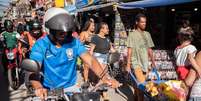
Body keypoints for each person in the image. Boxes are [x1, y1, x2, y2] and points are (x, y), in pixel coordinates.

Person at [29, 7, 120, 100]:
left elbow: (91, 60)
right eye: (60, 32)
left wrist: (105, 78)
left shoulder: (74, 42)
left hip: (71, 88)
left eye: (66, 31)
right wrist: (38, 87)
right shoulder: (40, 45)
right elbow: (33, 70)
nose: (64, 34)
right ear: (50, 29)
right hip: (48, 90)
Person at [126, 13, 155, 101]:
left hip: (145, 63)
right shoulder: (132, 34)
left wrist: (153, 62)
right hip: (136, 62)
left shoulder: (147, 34)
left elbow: (150, 49)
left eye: (145, 22)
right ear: (136, 23)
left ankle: (135, 97)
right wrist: (128, 64)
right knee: (142, 85)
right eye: (142, 22)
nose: (144, 24)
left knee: (138, 84)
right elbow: (129, 50)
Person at [174, 31, 201, 96]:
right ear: (191, 39)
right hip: (186, 69)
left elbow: (175, 60)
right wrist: (198, 69)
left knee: (182, 87)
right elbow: (190, 58)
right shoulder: (191, 47)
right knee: (186, 88)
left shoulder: (177, 49)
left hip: (179, 69)